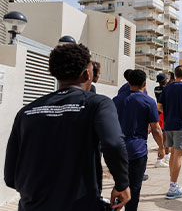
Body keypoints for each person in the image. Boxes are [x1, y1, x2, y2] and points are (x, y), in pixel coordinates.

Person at [5, 43, 131, 211]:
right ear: (87, 74)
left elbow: (10, 177)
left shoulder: (27, 111)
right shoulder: (98, 104)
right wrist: (122, 184)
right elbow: (113, 143)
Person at [113, 69, 165, 211]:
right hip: (137, 151)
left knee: (120, 186)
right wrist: (161, 148)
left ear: (128, 82)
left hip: (117, 151)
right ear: (144, 83)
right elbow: (156, 129)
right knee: (134, 189)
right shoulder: (148, 101)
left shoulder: (116, 100)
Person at [158, 65, 182, 199]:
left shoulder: (167, 88)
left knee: (173, 154)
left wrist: (169, 113)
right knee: (178, 155)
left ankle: (173, 182)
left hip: (168, 125)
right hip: (181, 125)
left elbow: (159, 107)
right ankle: (173, 186)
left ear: (174, 75)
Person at [154, 73, 170, 167]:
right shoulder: (166, 89)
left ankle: (166, 156)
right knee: (165, 137)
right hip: (164, 113)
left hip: (158, 113)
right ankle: (161, 159)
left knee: (163, 136)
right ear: (164, 81)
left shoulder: (156, 89)